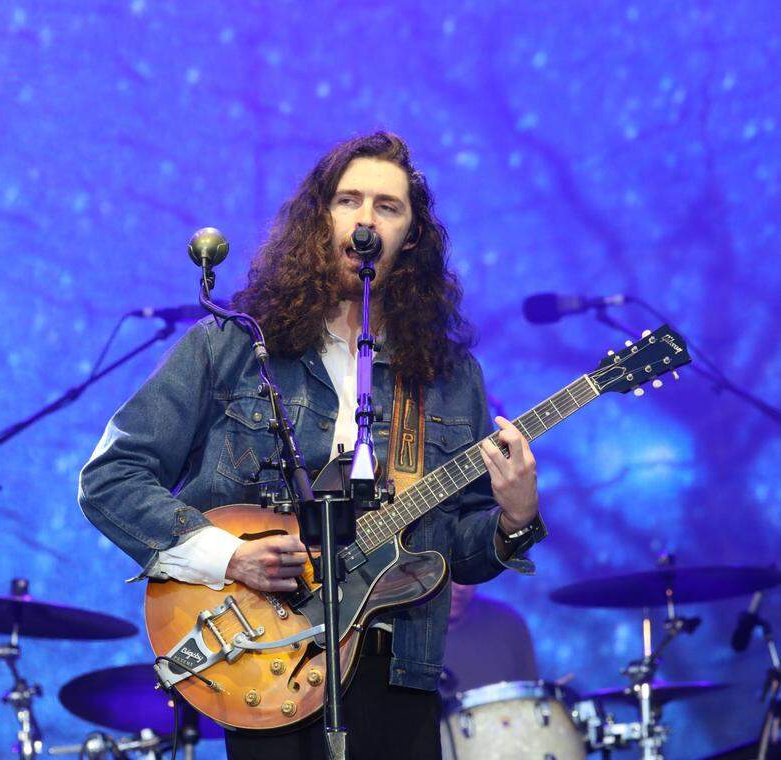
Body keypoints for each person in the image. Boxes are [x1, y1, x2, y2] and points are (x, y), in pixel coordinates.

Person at [79, 131, 546, 759]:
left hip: (400, 673)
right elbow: (111, 477)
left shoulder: (447, 375)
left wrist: (515, 519)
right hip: (270, 660)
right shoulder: (234, 346)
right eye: (349, 200)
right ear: (318, 218)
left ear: (411, 235)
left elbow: (457, 552)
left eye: (387, 206)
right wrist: (228, 557)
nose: (366, 219)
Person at [441, 582, 539, 696]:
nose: (462, 586)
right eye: (450, 573)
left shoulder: (507, 622)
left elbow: (530, 699)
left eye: (468, 574)